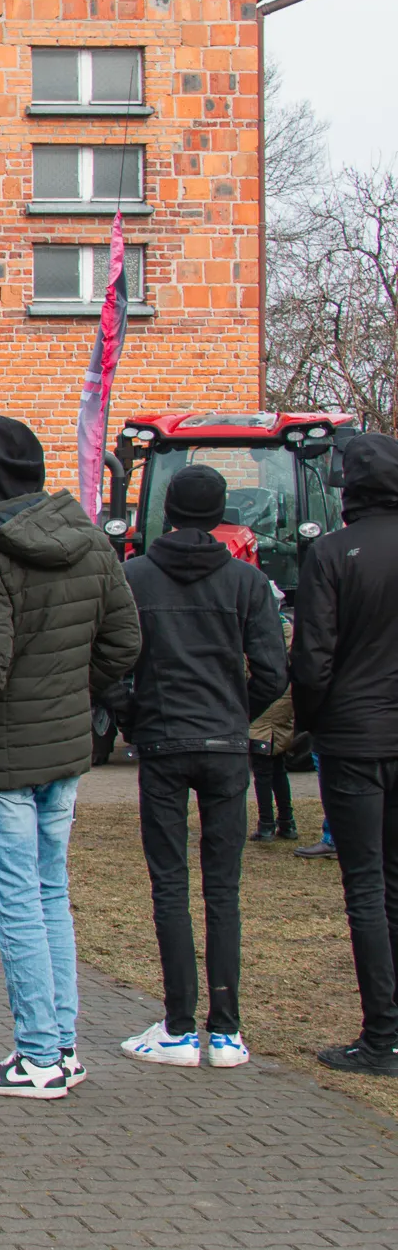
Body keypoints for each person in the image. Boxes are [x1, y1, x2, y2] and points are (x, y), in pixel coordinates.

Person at [0, 417, 139, 1099]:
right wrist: (70, 696)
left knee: (20, 901)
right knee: (51, 895)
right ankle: (61, 1045)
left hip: (2, 753)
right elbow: (124, 638)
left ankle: (38, 1055)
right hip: (61, 749)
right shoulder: (88, 539)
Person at [112, 465, 287, 1070]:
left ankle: (181, 1024)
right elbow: (272, 670)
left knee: (170, 884)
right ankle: (227, 1029)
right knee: (223, 888)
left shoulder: (134, 575)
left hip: (163, 740)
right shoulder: (245, 582)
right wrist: (236, 715)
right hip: (224, 744)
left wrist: (133, 716)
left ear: (167, 509)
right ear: (220, 515)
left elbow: (109, 659)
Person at [291, 431, 398, 1077]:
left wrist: (306, 723)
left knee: (365, 883)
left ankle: (381, 1032)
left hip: (354, 737)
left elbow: (314, 657)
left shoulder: (332, 554)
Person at [249, 609, 298, 842]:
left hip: (265, 700)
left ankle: (266, 823)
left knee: (262, 769)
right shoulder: (286, 628)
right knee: (277, 766)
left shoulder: (258, 629)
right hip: (283, 700)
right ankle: (287, 822)